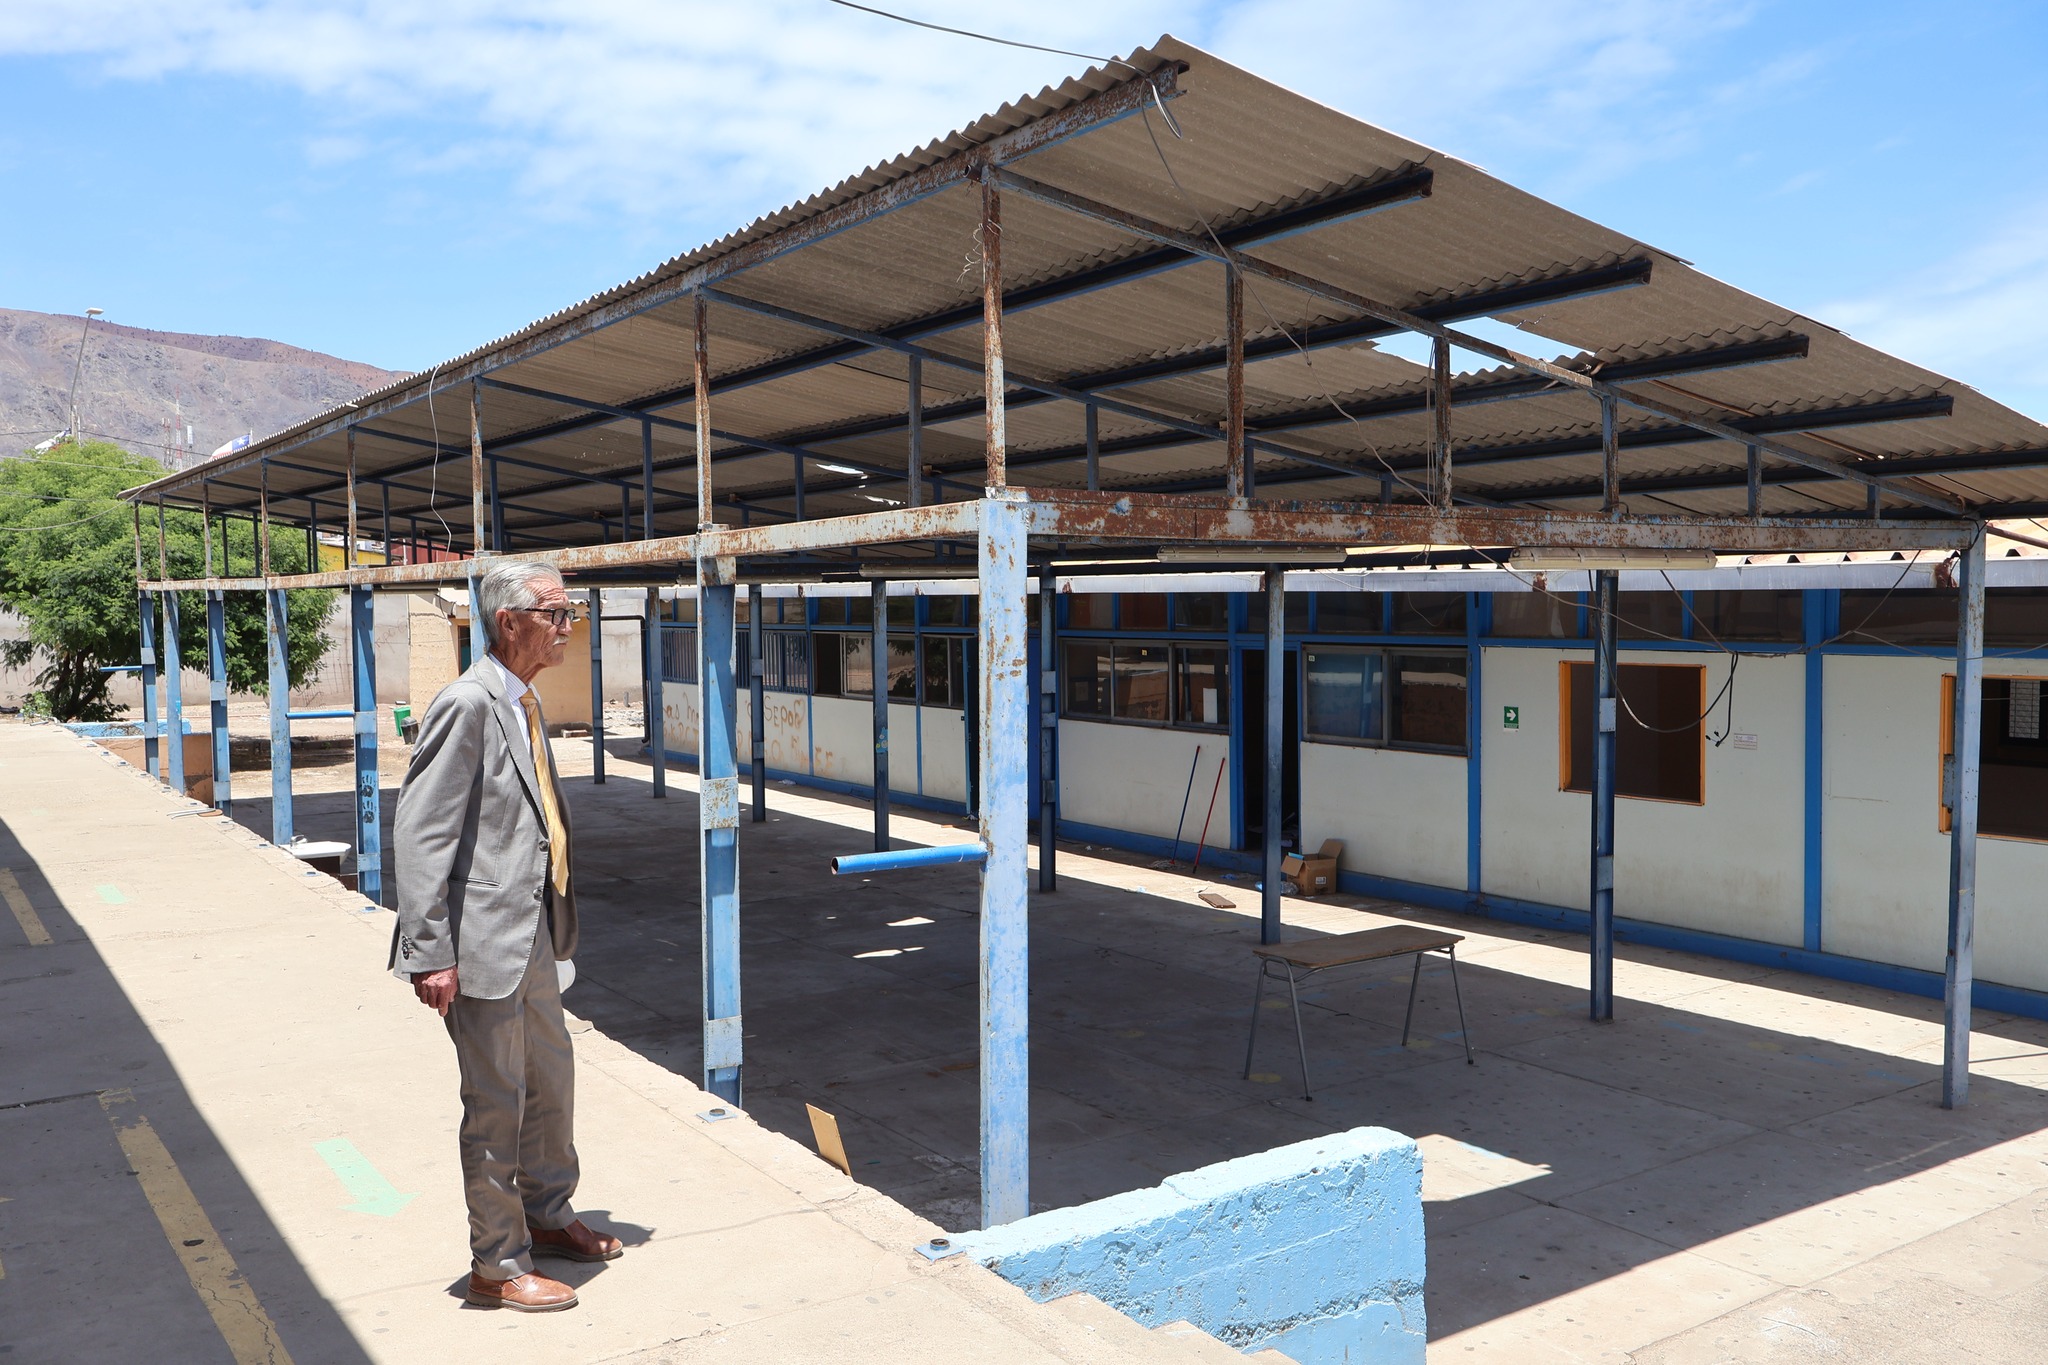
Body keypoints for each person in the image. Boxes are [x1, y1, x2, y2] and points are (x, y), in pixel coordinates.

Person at [390, 559, 622, 1312]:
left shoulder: (521, 701)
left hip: (533, 936)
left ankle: (548, 1216)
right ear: (509, 623)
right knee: (497, 1102)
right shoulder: (468, 702)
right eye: (556, 613)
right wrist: (431, 952)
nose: (567, 626)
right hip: (481, 943)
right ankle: (497, 1260)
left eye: (570, 611)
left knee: (551, 1082)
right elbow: (422, 834)